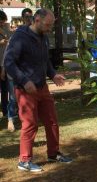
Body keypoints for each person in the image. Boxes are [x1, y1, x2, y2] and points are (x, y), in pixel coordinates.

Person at [4, 9, 72, 172]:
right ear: (36, 20)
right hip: (25, 90)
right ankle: (25, 160)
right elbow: (9, 63)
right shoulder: (20, 37)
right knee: (30, 123)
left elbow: (45, 60)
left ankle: (53, 153)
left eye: (51, 25)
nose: (49, 29)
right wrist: (24, 80)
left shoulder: (43, 37)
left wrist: (53, 74)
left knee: (52, 121)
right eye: (48, 25)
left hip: (42, 87)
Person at [0, 10, 9, 119]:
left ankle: (6, 111)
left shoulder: (4, 31)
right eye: (1, 21)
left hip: (3, 64)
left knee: (5, 89)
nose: (2, 23)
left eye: (3, 22)